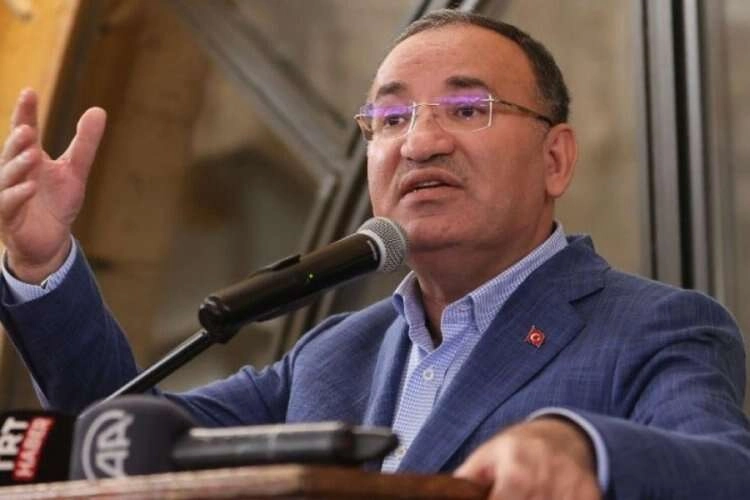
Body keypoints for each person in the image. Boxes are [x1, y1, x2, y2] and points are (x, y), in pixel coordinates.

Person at [0, 9, 748, 499]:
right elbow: (125, 435)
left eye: (467, 108)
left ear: (556, 159)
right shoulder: (334, 354)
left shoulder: (655, 328)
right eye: (390, 117)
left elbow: (728, 471)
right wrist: (43, 265)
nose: (420, 142)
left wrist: (584, 447)